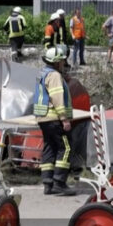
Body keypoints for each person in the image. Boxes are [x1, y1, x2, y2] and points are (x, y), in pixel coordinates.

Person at [33, 46, 76, 196]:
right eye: (63, 61)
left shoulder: (42, 74)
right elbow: (57, 97)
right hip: (54, 118)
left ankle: (48, 183)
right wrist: (64, 118)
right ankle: (59, 182)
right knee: (66, 147)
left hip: (43, 118)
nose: (64, 64)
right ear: (57, 62)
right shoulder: (55, 76)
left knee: (49, 148)